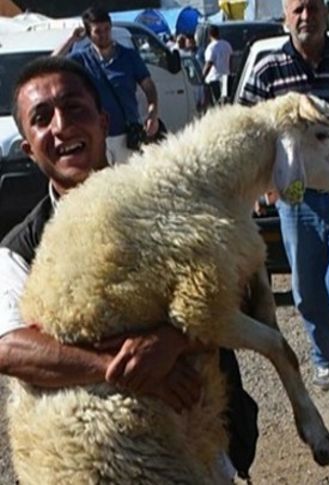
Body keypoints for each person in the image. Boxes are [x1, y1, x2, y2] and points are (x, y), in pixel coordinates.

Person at [0, 57, 258, 480]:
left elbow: (240, 291)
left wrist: (172, 340)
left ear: (104, 122)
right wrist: (124, 370)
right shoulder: (20, 250)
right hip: (97, 464)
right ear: (28, 147)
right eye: (42, 118)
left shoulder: (174, 201)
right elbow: (10, 348)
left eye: (75, 108)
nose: (62, 126)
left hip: (204, 447)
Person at [239, 0, 329, 390]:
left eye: (312, 7)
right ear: (285, 17)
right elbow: (245, 127)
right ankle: (323, 356)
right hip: (296, 196)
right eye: (298, 10)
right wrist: (260, 183)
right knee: (307, 290)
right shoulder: (268, 67)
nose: (305, 16)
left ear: (326, 12)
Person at [53, 6, 159, 164]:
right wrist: (72, 39)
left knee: (130, 185)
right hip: (95, 137)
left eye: (106, 29)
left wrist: (153, 113)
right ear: (89, 34)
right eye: (97, 31)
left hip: (127, 134)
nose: (103, 35)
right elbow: (51, 63)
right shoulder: (81, 59)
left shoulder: (129, 56)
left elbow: (148, 86)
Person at [202, 25, 233, 104]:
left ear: (209, 35)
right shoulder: (227, 45)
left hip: (214, 79)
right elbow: (231, 60)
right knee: (225, 102)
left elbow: (209, 63)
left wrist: (202, 76)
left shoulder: (211, 47)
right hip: (226, 77)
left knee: (216, 102)